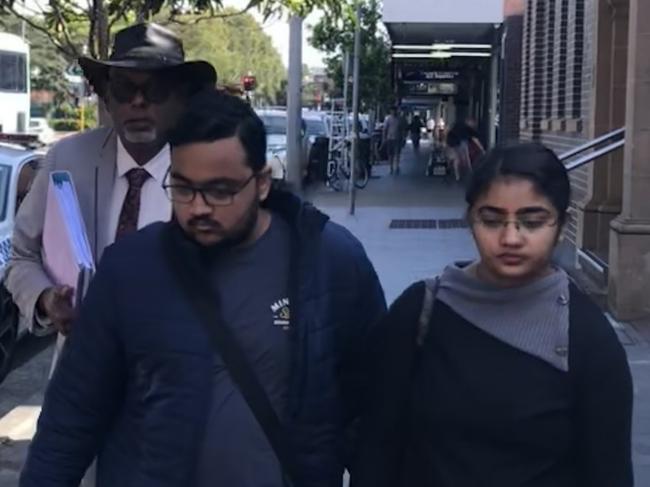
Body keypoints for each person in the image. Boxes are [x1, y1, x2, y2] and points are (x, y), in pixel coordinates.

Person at [20, 90, 386, 487]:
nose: (197, 208)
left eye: (220, 191)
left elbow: (373, 415)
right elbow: (71, 418)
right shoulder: (129, 270)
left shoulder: (331, 262)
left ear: (262, 182)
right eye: (182, 188)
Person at [353, 143, 633, 487]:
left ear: (562, 225)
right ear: (470, 218)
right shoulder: (420, 312)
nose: (510, 237)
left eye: (532, 221)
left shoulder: (588, 338)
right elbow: (376, 448)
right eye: (492, 219)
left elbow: (609, 472)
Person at [5, 23, 216, 341]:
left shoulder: (211, 176)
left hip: (176, 380)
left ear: (182, 99)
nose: (138, 102)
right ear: (106, 98)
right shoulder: (67, 160)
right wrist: (46, 298)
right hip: (80, 378)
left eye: (155, 90)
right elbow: (21, 256)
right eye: (124, 89)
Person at [382, 106, 402, 175]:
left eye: (394, 111)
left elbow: (401, 129)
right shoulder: (388, 119)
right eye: (392, 111)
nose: (393, 112)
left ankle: (396, 166)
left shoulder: (399, 119)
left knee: (397, 153)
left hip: (397, 139)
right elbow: (385, 129)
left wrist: (403, 137)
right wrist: (384, 138)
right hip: (390, 138)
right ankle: (391, 167)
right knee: (390, 154)